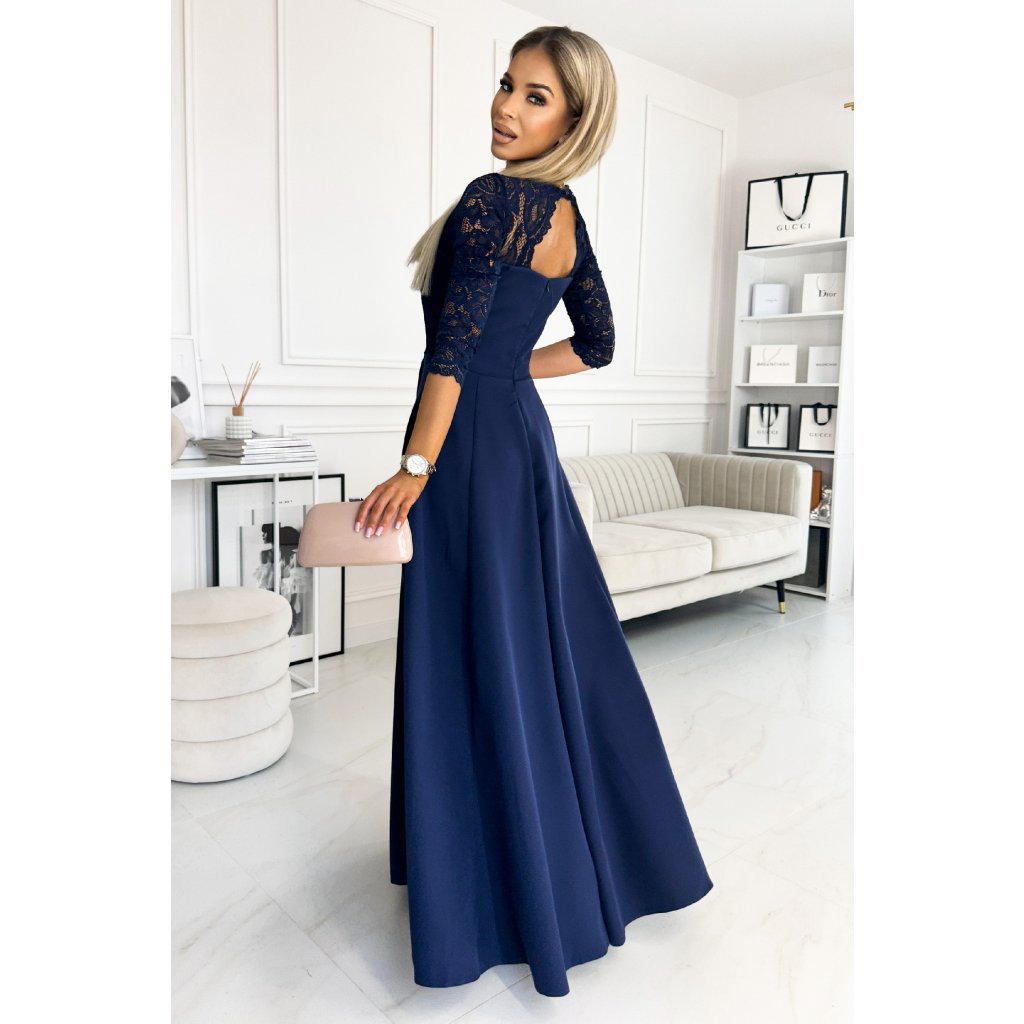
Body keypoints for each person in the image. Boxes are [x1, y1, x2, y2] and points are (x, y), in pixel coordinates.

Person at [353, 25, 713, 998]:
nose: (506, 107)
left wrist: (417, 463)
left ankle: (480, 884)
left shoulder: (496, 200)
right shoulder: (562, 215)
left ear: (574, 117)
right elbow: (594, 344)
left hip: (467, 452)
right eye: (507, 84)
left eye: (536, 96)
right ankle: (559, 864)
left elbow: (449, 356)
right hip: (519, 443)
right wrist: (508, 370)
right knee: (533, 651)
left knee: (474, 650)